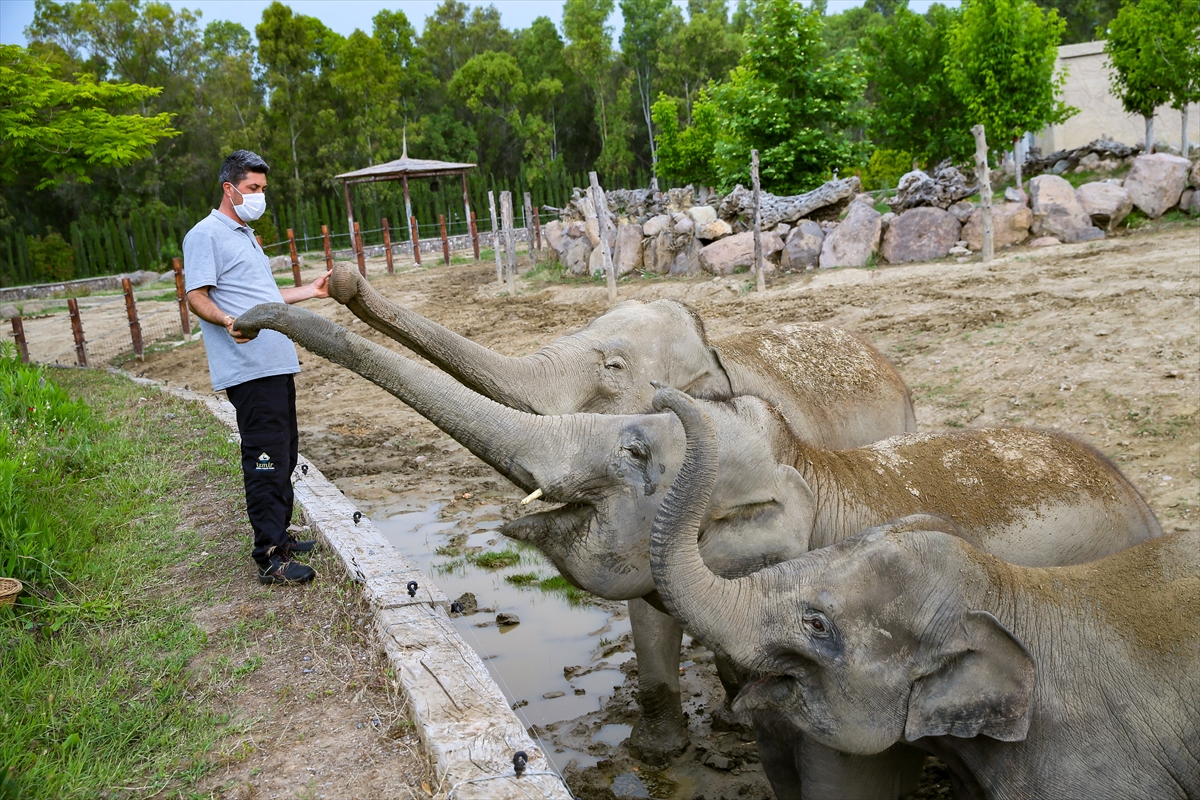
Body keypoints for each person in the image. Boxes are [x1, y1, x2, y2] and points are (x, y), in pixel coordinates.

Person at [184, 150, 331, 585]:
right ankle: (270, 556)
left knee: (284, 451)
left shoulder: (246, 235)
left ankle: (281, 533)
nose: (259, 196)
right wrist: (229, 322)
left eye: (263, 189)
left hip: (275, 361)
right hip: (247, 366)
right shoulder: (205, 235)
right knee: (264, 457)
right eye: (253, 189)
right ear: (230, 188)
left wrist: (310, 290)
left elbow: (262, 298)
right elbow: (196, 295)